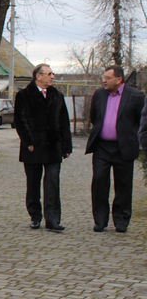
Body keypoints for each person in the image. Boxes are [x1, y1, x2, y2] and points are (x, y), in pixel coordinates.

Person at [85, 65, 145, 233]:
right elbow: (94, 116)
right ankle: (100, 220)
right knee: (99, 182)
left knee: (123, 186)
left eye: (108, 78)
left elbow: (141, 121)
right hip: (102, 147)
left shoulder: (136, 96)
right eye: (103, 77)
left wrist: (132, 138)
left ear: (119, 80)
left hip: (123, 147)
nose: (104, 81)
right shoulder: (99, 95)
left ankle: (121, 220)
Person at [14, 63, 72, 232]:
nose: (52, 76)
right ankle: (35, 215)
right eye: (49, 74)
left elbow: (64, 122)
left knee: (52, 182)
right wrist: (28, 141)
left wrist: (66, 145)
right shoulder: (24, 95)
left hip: (53, 146)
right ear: (38, 76)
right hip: (33, 147)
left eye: (53, 73)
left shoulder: (57, 96)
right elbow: (20, 120)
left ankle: (53, 219)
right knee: (33, 183)